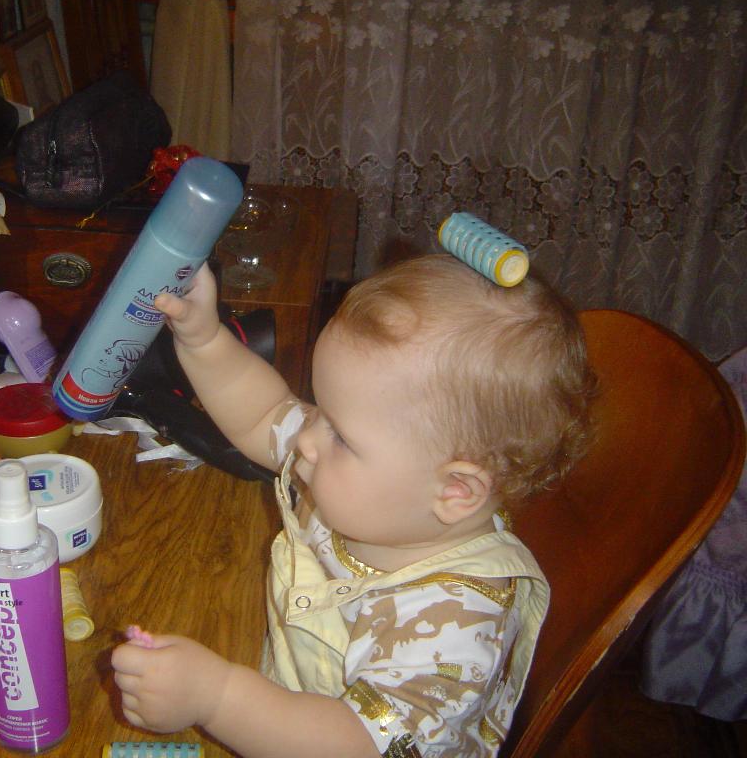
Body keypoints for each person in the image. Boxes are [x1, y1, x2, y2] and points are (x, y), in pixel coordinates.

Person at [112, 254, 596, 757]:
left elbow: (356, 745)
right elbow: (264, 413)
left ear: (455, 491)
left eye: (341, 436)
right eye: (320, 411)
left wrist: (217, 697)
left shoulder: (456, 626)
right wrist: (204, 340)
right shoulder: (381, 491)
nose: (307, 439)